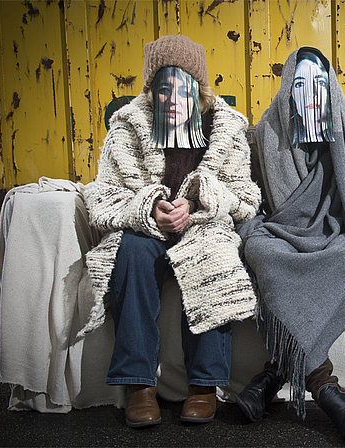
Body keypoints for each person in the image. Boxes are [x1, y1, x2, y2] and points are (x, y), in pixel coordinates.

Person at [81, 35, 261, 428]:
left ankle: (204, 384)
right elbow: (103, 197)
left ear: (199, 91)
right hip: (149, 230)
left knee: (215, 251)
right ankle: (138, 385)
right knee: (130, 250)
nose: (173, 99)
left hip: (201, 225)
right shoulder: (127, 129)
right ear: (151, 92)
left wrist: (199, 202)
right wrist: (147, 207)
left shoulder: (226, 128)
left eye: (184, 89)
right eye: (164, 90)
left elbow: (246, 197)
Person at [235, 47, 345, 442]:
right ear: (287, 93)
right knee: (263, 255)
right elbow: (249, 200)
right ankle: (322, 384)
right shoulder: (266, 132)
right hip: (278, 232)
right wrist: (252, 228)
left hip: (330, 236)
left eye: (319, 83)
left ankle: (274, 372)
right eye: (299, 83)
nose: (310, 92)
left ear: (331, 90)